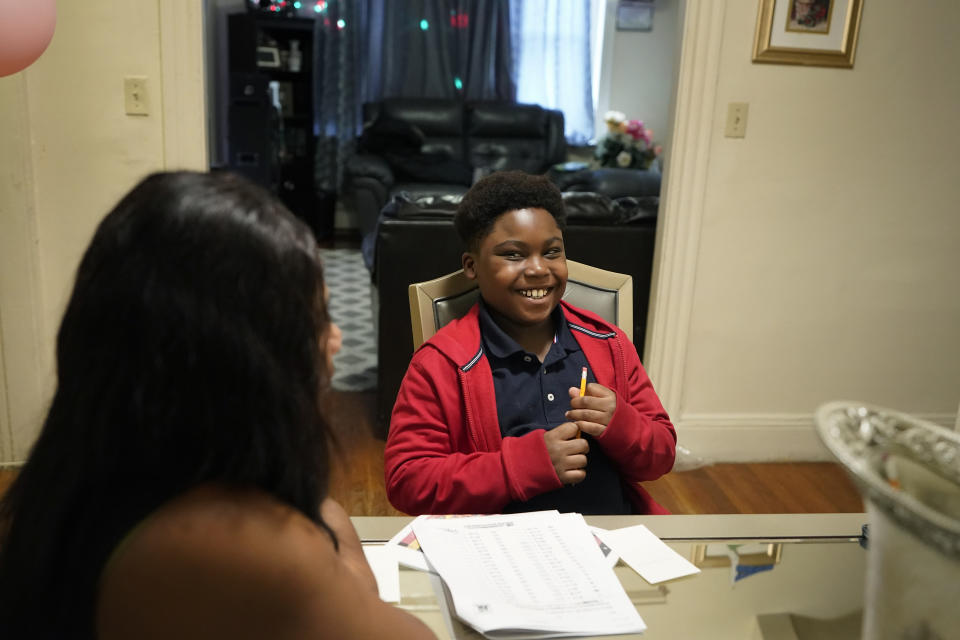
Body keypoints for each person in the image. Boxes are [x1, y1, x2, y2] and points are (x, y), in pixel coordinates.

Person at [0, 171, 434, 639]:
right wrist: (326, 516)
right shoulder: (240, 544)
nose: (335, 338)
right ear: (247, 353)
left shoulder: (69, 488)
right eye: (318, 317)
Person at [384, 171, 676, 516]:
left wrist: (623, 424)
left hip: (612, 537)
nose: (538, 269)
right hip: (503, 549)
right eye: (513, 255)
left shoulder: (608, 343)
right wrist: (522, 466)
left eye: (552, 252)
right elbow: (407, 481)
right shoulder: (442, 362)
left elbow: (661, 456)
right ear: (471, 266)